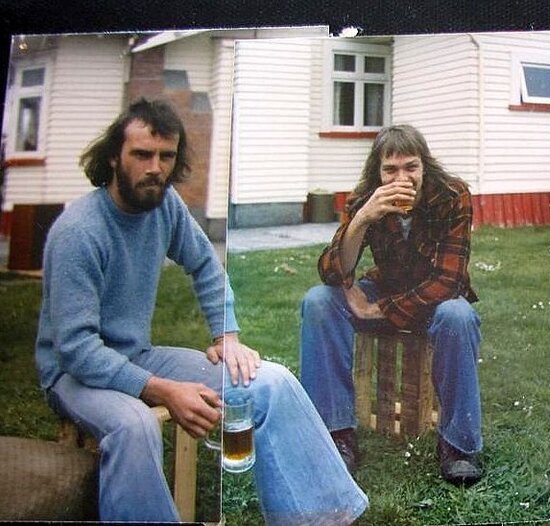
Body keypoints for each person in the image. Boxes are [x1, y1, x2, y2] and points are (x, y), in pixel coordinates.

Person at [35, 98, 367, 525]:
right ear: (114, 157)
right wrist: (163, 390)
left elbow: (206, 265)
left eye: (166, 156)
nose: (155, 168)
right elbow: (77, 350)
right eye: (142, 154)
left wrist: (226, 334)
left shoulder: (165, 206)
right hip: (73, 375)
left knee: (271, 381)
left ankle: (324, 518)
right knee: (135, 425)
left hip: (135, 355)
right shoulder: (78, 232)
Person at [299, 124, 484, 486]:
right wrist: (362, 219)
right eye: (391, 170)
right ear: (378, 172)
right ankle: (336, 434)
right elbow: (331, 272)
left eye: (411, 167)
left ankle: (459, 446)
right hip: (387, 286)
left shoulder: (452, 195)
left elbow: (449, 280)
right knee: (319, 302)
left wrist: (378, 309)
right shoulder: (366, 199)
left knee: (459, 315)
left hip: (435, 300)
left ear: (424, 165)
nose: (402, 178)